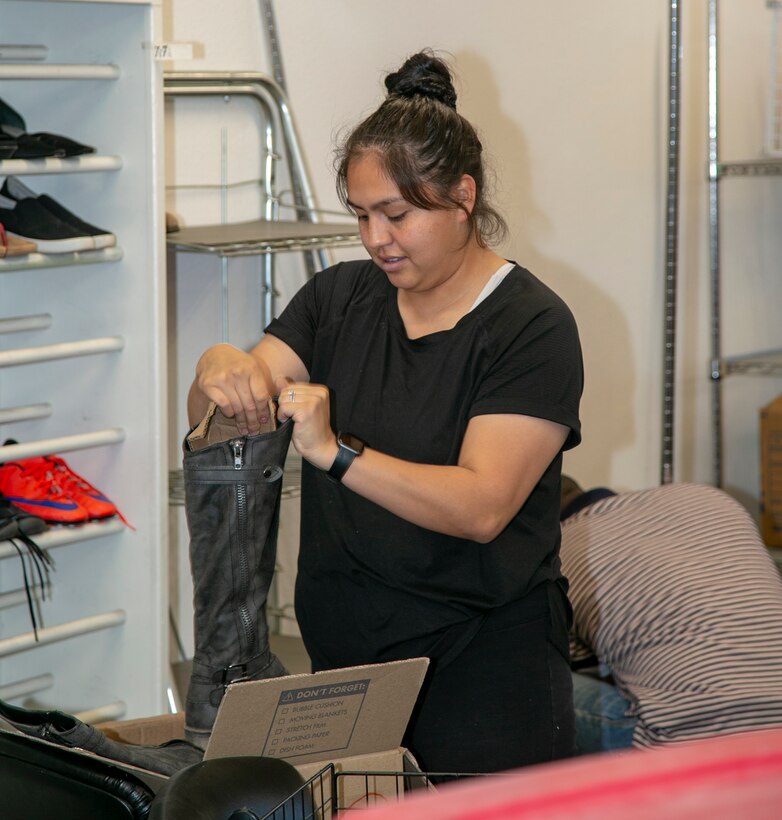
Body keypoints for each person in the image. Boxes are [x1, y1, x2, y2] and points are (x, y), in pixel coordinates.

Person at [188, 50, 584, 775]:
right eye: (362, 215)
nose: (375, 238)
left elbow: (482, 506)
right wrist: (218, 369)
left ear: (462, 196)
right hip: (348, 669)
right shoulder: (338, 300)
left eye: (397, 214)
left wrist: (338, 452)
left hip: (483, 674)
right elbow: (229, 408)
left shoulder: (530, 326)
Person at [560, 478, 782, 754]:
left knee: (532, 688)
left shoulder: (561, 555)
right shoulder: (707, 498)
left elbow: (561, 662)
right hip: (777, 729)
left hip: (690, 744)